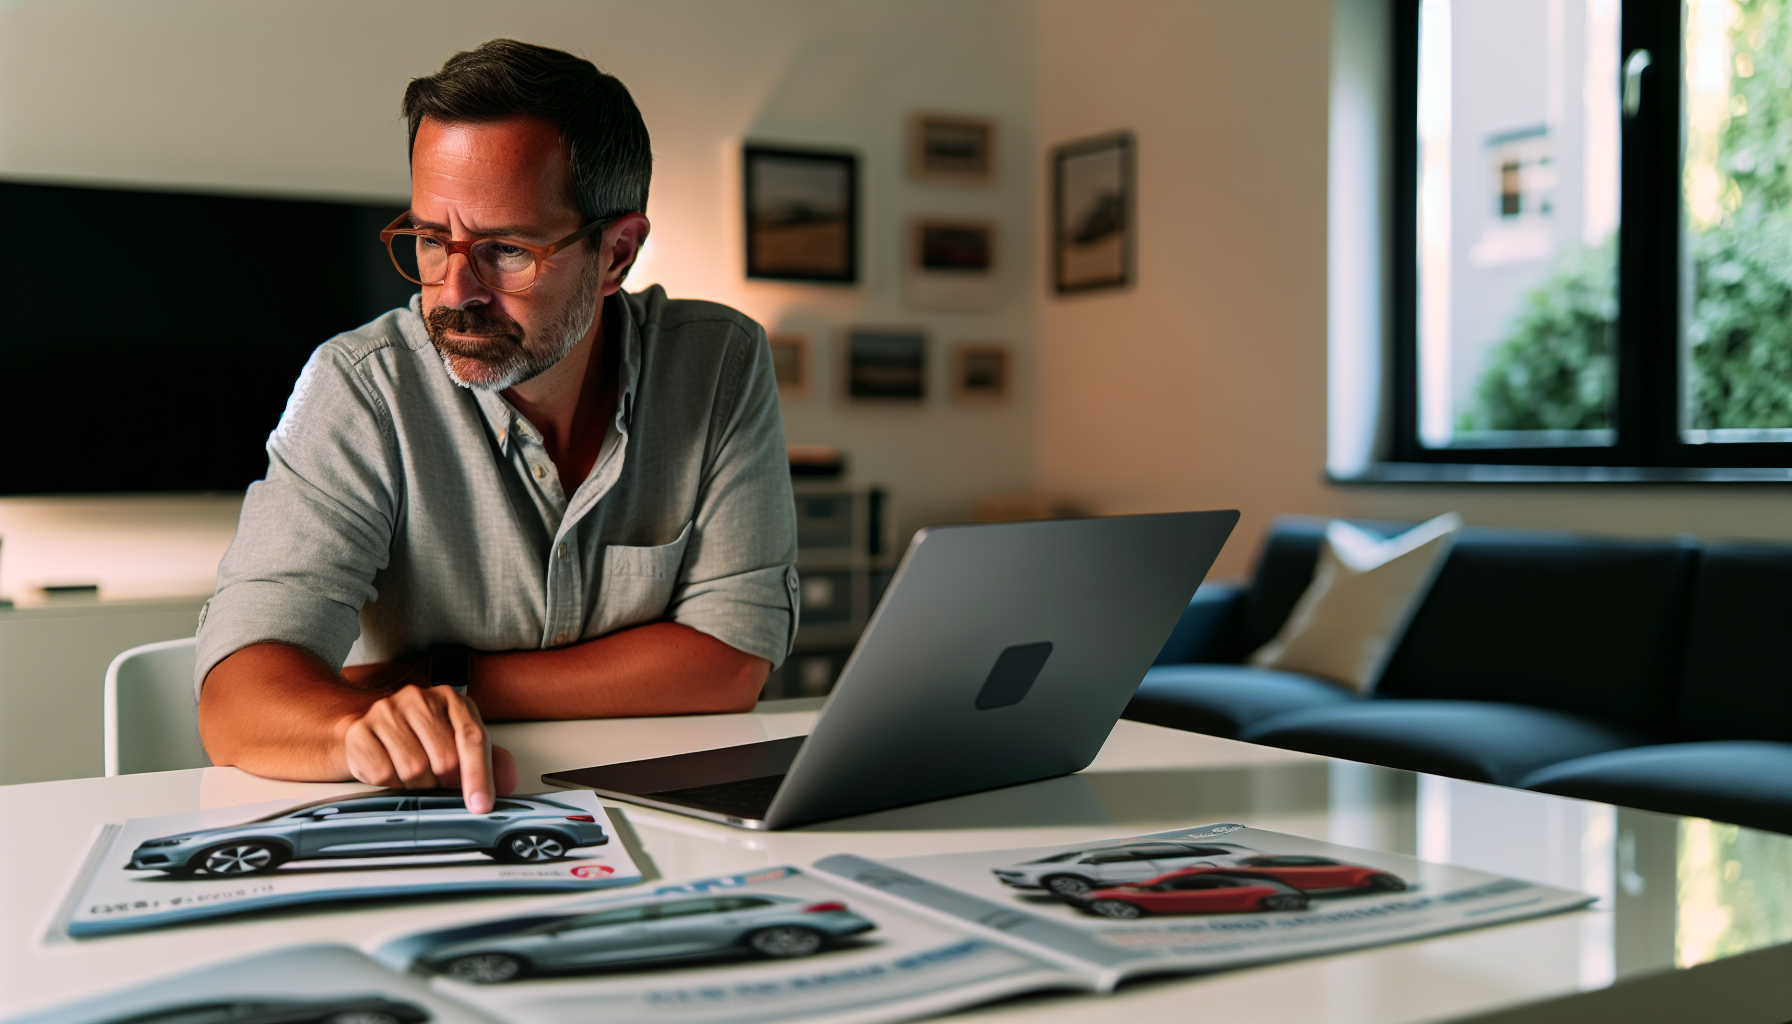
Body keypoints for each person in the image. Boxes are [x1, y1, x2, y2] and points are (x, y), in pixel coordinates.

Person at [195, 40, 798, 813]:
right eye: (429, 240)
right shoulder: (360, 390)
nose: (454, 292)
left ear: (616, 254)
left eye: (505, 251)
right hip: (443, 812)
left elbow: (728, 667)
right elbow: (237, 698)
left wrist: (431, 678)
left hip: (663, 809)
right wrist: (361, 731)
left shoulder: (719, 362)